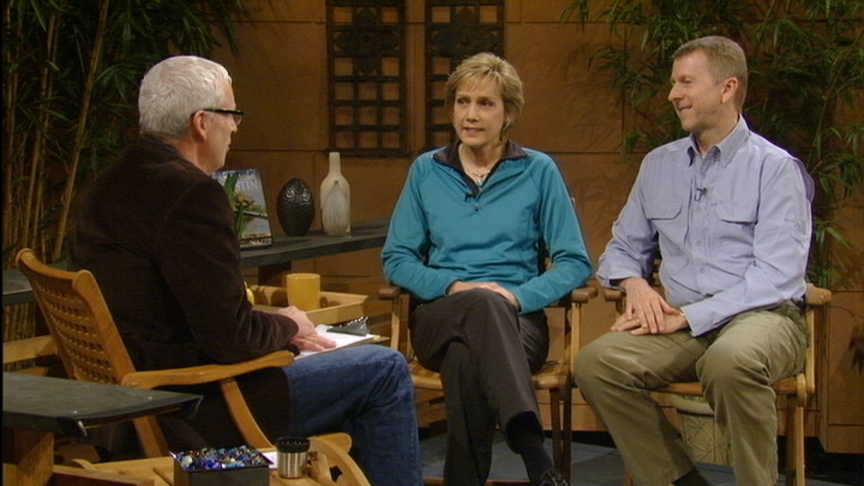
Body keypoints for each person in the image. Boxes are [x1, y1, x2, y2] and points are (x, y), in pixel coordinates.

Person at [68, 55, 422, 486]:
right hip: (197, 404)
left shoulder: (109, 181)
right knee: (382, 368)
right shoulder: (191, 195)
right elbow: (230, 338)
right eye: (231, 115)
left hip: (126, 403)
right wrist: (286, 324)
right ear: (202, 123)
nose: (235, 127)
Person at [574, 36, 813, 486]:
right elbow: (622, 248)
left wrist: (688, 316)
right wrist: (635, 284)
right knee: (597, 363)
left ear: (727, 88)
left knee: (730, 360)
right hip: (684, 326)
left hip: (763, 319)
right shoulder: (658, 165)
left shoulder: (774, 168)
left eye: (685, 82)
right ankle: (677, 480)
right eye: (672, 83)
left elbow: (778, 277)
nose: (672, 94)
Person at [382, 52, 592, 486]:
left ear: (509, 113)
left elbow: (574, 261)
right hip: (440, 315)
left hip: (517, 324)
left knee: (466, 358)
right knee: (477, 305)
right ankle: (535, 453)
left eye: (485, 104)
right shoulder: (426, 171)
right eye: (462, 102)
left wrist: (517, 296)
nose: (471, 115)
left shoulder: (538, 171)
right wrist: (453, 285)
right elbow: (396, 258)